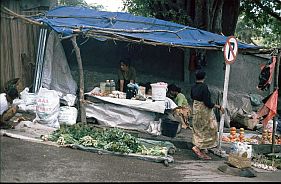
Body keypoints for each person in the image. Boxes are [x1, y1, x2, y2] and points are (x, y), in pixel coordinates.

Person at [190, 69, 224, 160]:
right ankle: (198, 147)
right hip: (204, 112)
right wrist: (219, 107)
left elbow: (192, 97)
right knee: (210, 128)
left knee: (198, 129)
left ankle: (202, 149)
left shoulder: (193, 87)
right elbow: (207, 103)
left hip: (196, 110)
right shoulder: (204, 87)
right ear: (204, 77)